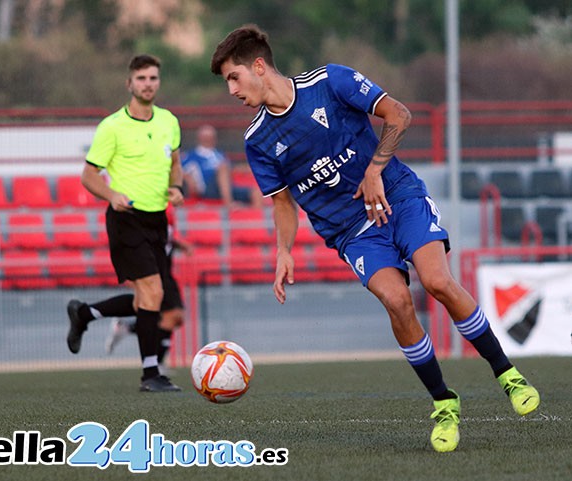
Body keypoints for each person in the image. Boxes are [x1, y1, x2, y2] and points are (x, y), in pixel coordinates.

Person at [210, 25, 539, 453]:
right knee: (397, 301)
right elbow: (282, 203)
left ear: (258, 66)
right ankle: (444, 402)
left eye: (234, 77)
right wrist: (283, 251)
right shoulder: (257, 140)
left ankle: (506, 373)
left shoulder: (330, 82)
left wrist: (373, 170)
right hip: (351, 232)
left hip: (399, 197)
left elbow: (399, 114)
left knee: (437, 281)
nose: (232, 89)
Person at [66, 54, 185, 392]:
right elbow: (88, 176)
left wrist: (176, 187)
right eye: (142, 78)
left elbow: (175, 163)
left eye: (153, 78)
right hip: (125, 219)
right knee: (154, 292)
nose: (148, 84)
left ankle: (85, 314)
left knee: (146, 301)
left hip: (157, 220)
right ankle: (151, 375)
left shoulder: (169, 122)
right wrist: (111, 194)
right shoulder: (112, 126)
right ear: (129, 83)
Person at [104, 204, 192, 368]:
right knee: (168, 316)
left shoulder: (165, 206)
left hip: (166, 272)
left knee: (172, 318)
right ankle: (155, 365)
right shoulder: (141, 206)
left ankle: (128, 329)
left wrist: (180, 245)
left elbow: (165, 236)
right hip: (154, 273)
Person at [182, 124, 262, 208]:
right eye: (205, 136)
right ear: (199, 138)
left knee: (255, 192)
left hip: (226, 187)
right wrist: (188, 178)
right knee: (223, 168)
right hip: (206, 188)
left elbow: (231, 169)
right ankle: (229, 204)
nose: (208, 139)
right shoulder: (191, 155)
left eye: (210, 137)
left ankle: (251, 217)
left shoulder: (220, 155)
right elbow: (178, 170)